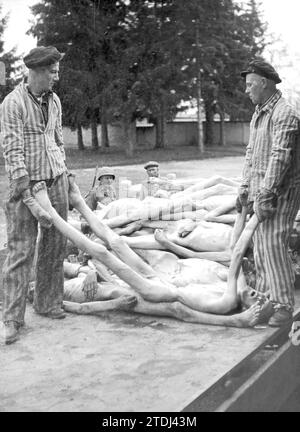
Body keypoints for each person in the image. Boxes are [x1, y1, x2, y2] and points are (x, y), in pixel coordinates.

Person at [31, 178, 272, 328]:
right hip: (162, 280)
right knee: (116, 242)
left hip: (158, 291)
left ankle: (50, 209)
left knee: (102, 251)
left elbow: (183, 312)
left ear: (245, 306)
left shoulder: (228, 301)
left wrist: (254, 217)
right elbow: (237, 249)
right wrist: (244, 214)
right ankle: (80, 204)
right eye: (261, 295)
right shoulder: (237, 284)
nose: (258, 295)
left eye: (257, 300)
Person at [1, 46, 69, 344]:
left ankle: (47, 302)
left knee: (55, 245)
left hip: (55, 182)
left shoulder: (53, 100)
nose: (56, 77)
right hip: (26, 186)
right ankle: (12, 319)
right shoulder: (12, 103)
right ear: (37, 71)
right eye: (53, 72)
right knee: (21, 251)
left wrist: (65, 171)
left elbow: (57, 139)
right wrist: (23, 185)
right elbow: (12, 149)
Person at [238, 59, 300, 326]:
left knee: (274, 242)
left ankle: (284, 305)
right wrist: (245, 185)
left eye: (250, 84)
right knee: (261, 246)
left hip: (282, 190)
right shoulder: (259, 112)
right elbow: (252, 153)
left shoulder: (284, 113)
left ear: (264, 83)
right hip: (263, 188)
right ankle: (266, 300)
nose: (246, 90)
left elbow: (280, 157)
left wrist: (266, 193)